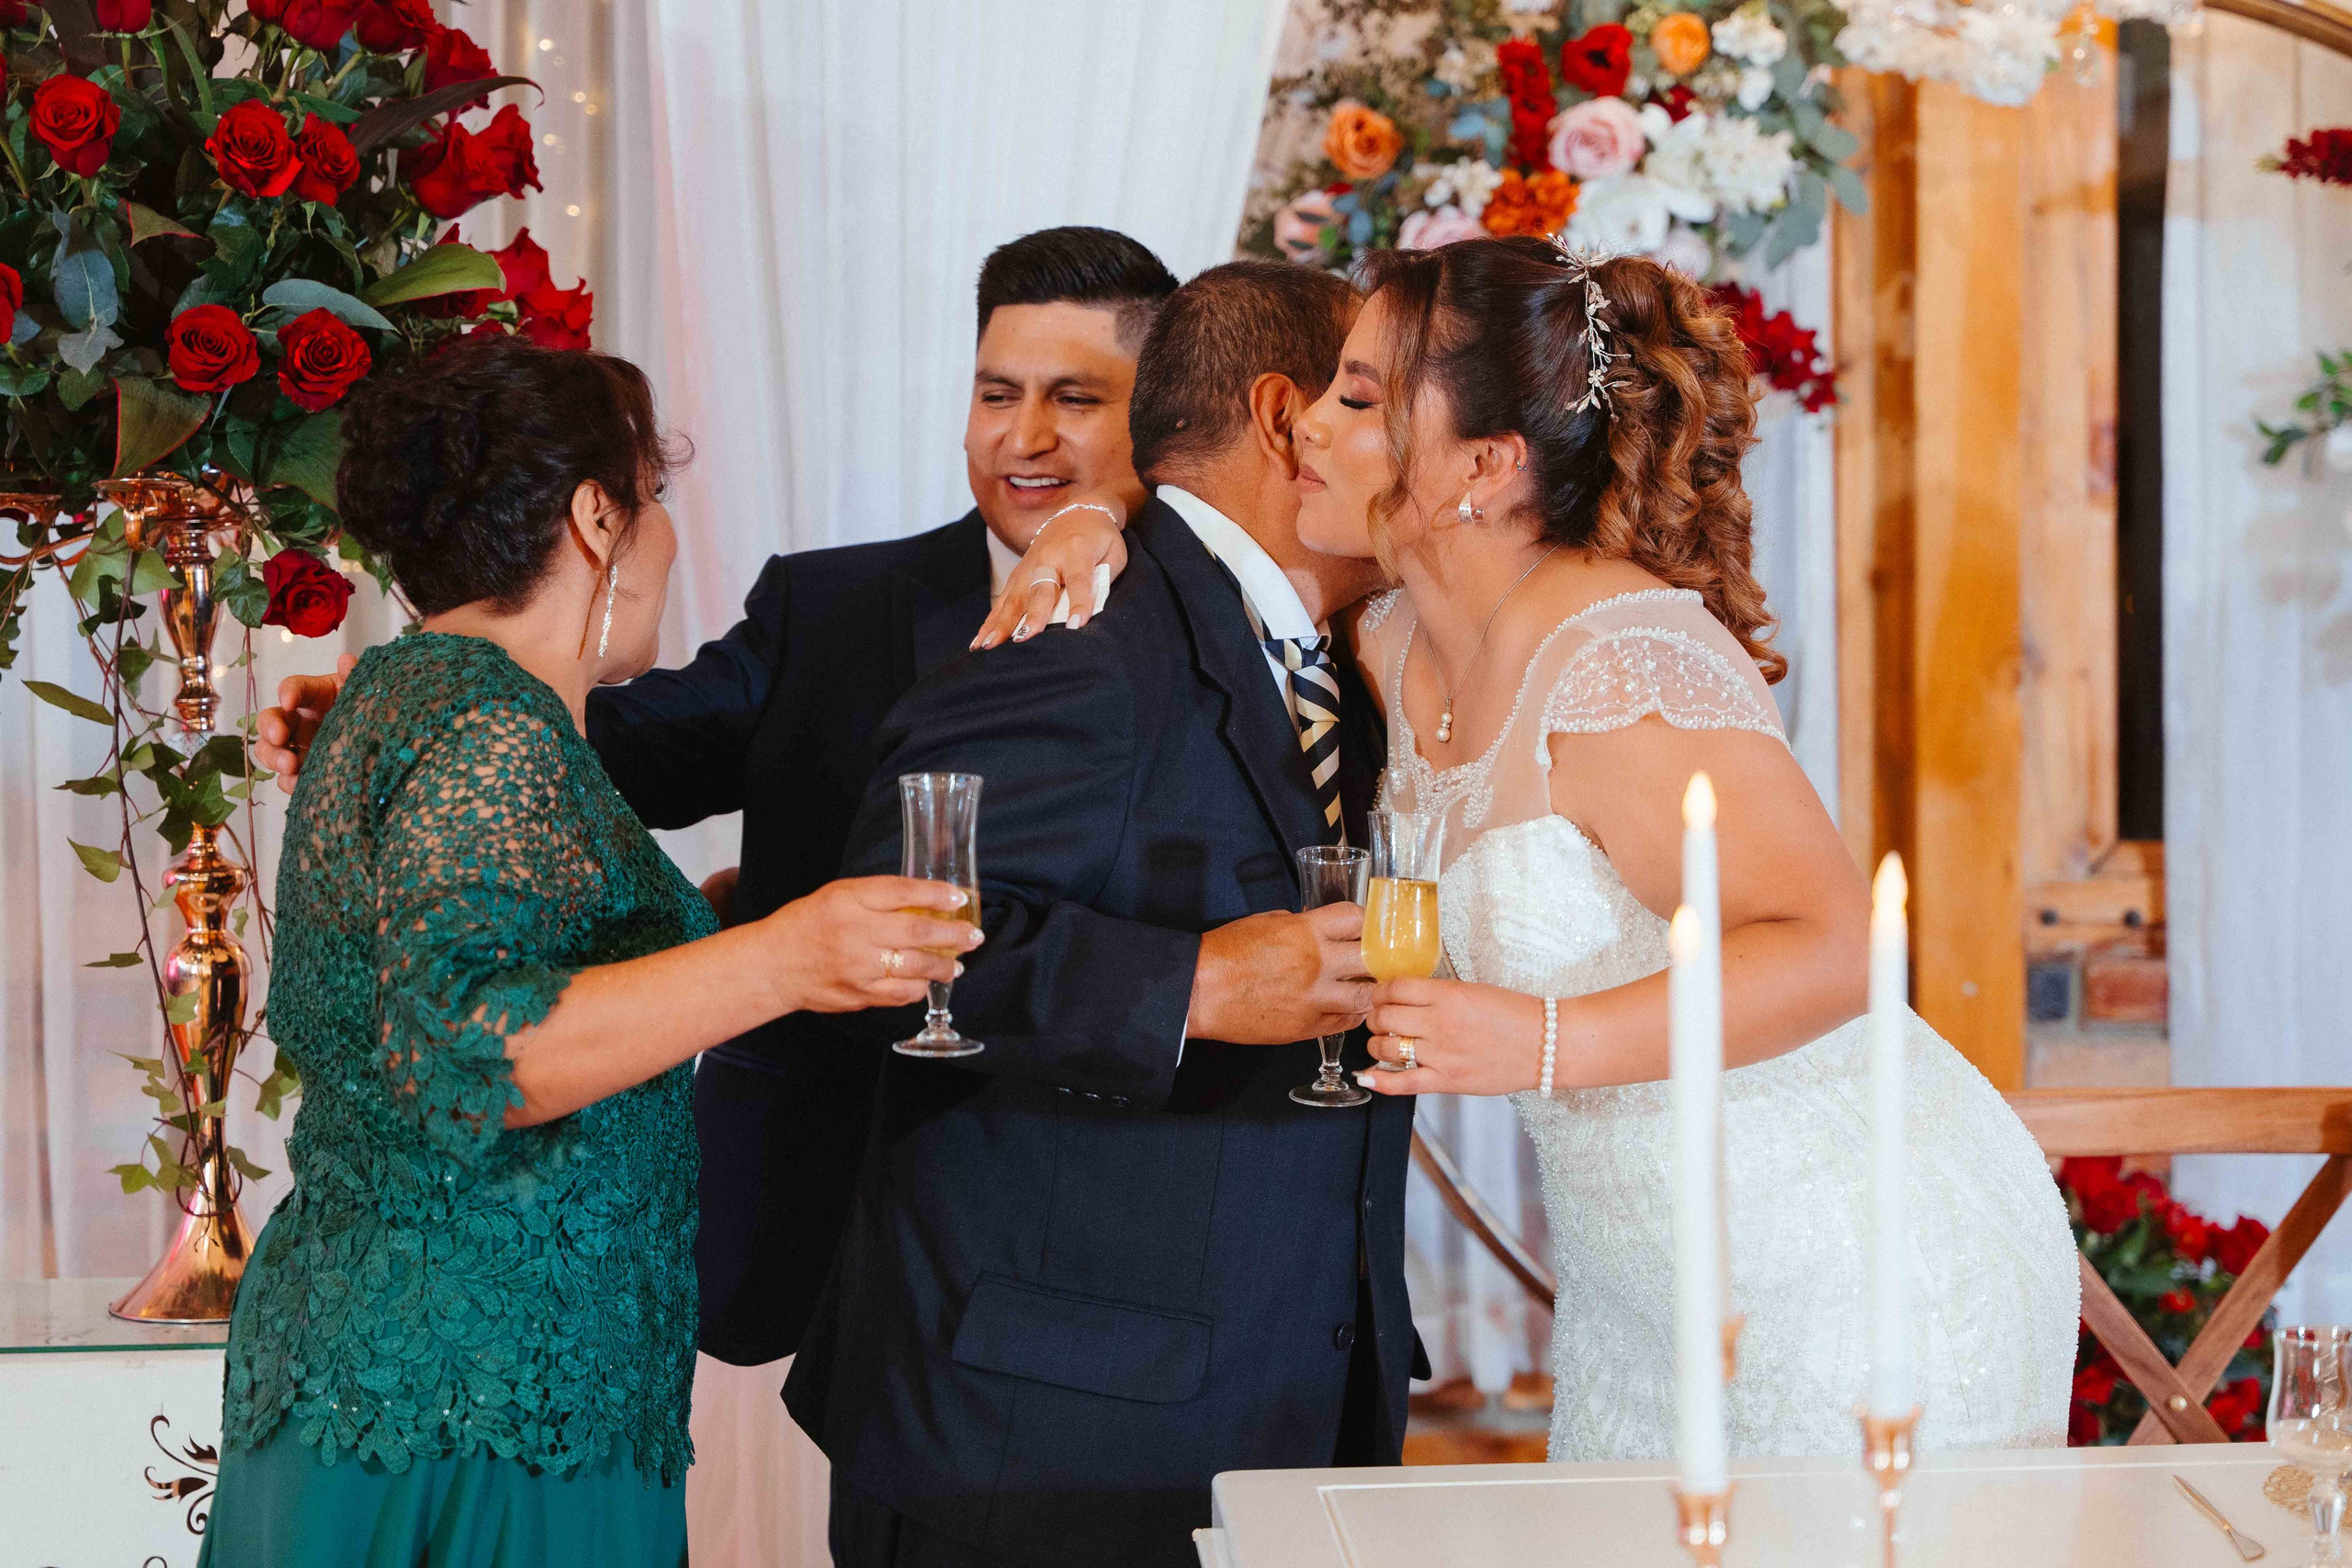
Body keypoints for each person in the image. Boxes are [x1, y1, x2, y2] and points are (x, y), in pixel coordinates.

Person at [251, 226, 1170, 1368]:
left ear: (1156, 416)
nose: (1023, 437)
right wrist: (422, 719)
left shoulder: (1212, 618)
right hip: (835, 1220)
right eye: (996, 394)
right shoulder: (832, 607)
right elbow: (615, 753)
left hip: (1116, 1228)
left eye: (1074, 398)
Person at [198, 338, 981, 1568]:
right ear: (595, 517)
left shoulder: (424, 697)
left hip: (432, 1379)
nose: (667, 537)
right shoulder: (490, 726)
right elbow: (476, 1047)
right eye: (654, 499)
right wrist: (783, 956)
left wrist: (737, 923)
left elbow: (528, 955)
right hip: (485, 1405)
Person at [1296, 237, 2079, 1458]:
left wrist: (1542, 1040)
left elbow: (1839, 946)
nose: (1305, 422)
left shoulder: (1615, 661)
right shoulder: (1392, 638)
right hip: (1643, 1291)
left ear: (1486, 464)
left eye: (1355, 399)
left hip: (1845, 1267)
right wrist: (1083, 524)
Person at [793, 259, 1415, 1568]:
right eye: (1375, 401)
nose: (1408, 446)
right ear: (1286, 417)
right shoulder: (1078, 635)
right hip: (1038, 1446)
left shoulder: (1347, 655)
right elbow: (882, 943)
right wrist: (1191, 987)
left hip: (1262, 1400)